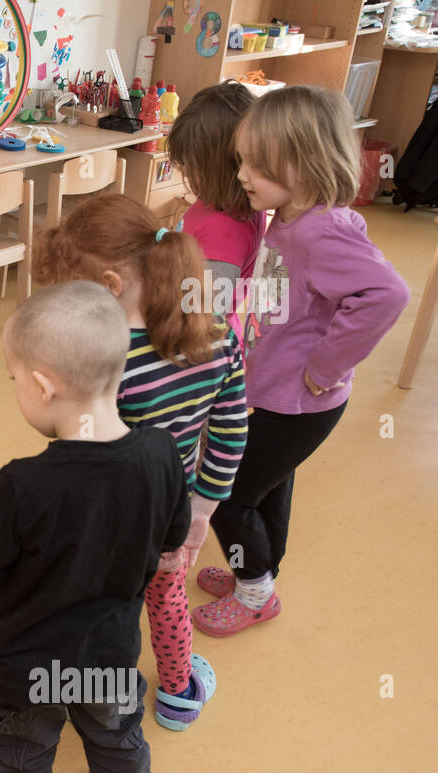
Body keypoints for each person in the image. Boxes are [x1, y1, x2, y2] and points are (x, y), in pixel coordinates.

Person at [0, 282, 190, 773]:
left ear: (42, 385)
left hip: (25, 663)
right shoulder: (161, 452)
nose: (18, 388)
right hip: (109, 650)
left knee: (24, 741)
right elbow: (173, 538)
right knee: (116, 731)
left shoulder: (25, 483)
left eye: (15, 379)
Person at [194, 86, 410, 634]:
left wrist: (324, 367)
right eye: (242, 159)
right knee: (270, 488)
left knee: (231, 493)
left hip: (297, 399)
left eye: (259, 167)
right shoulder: (289, 218)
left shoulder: (318, 230)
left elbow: (386, 294)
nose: (242, 175)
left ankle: (256, 590)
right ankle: (257, 567)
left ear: (308, 165)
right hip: (275, 392)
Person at [31, 194, 246, 730]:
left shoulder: (101, 356)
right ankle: (177, 693)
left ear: (108, 285)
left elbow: (76, 445)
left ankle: (84, 689)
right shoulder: (218, 332)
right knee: (166, 595)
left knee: (93, 601)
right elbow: (230, 429)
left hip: (101, 515)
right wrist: (202, 512)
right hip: (170, 509)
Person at [167, 81, 262, 348]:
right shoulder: (219, 201)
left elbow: (206, 316)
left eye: (191, 164)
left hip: (192, 347)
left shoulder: (225, 231)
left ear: (226, 167)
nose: (184, 171)